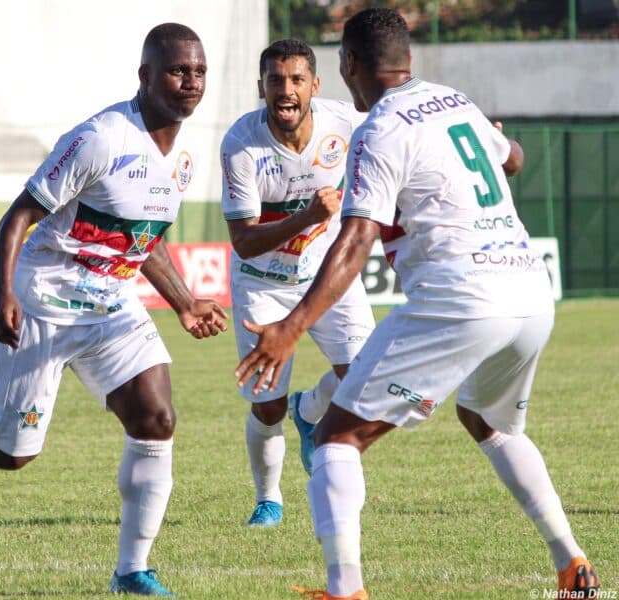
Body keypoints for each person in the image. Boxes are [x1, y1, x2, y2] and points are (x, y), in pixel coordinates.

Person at [235, 9, 599, 599]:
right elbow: (514, 159)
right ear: (409, 59)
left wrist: (292, 327)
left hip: (461, 294)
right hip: (532, 291)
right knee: (488, 422)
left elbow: (355, 243)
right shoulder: (454, 101)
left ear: (349, 65)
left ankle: (345, 589)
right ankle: (571, 562)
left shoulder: (379, 130)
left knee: (336, 438)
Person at [0, 23, 226, 597]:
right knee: (8, 454)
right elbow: (17, 218)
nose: (191, 82)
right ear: (146, 76)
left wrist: (181, 302)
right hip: (43, 300)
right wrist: (6, 294)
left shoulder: (184, 157)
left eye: (199, 71)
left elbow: (140, 238)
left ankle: (132, 571)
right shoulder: (101, 138)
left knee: (157, 419)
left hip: (109, 307)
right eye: (179, 70)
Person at [220, 39, 374, 528]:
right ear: (261, 86)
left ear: (315, 85)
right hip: (261, 283)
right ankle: (269, 499)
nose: (285, 90)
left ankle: (308, 410)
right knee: (266, 407)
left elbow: (399, 136)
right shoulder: (241, 144)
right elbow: (244, 241)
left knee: (365, 377)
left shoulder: (344, 123)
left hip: (328, 275)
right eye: (275, 80)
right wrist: (308, 214)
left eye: (296, 80)